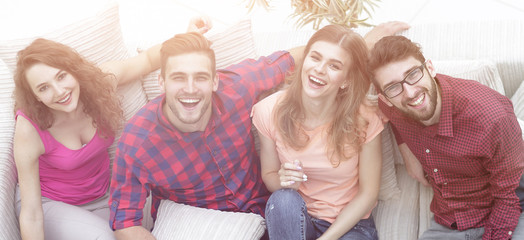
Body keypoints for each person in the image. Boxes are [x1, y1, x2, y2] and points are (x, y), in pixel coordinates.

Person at [108, 22, 410, 240]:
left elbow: (292, 59)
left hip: (268, 215)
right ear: (161, 83)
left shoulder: (238, 86)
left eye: (200, 77)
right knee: (285, 201)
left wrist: (361, 43)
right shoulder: (137, 143)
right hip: (216, 225)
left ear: (215, 81)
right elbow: (125, 222)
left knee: (283, 202)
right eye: (178, 78)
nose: (190, 90)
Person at [12, 17, 211, 240]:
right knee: (107, 237)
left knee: (156, 210)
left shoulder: (98, 84)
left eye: (61, 76)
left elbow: (145, 60)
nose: (59, 91)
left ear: (74, 70)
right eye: (44, 88)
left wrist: (187, 38)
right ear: (35, 97)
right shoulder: (29, 127)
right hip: (50, 206)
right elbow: (31, 214)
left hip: (105, 195)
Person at [367, 35, 524, 240]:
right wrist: (406, 151)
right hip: (450, 222)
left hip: (508, 212)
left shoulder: (492, 117)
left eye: (413, 74)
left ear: (430, 68)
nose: (410, 92)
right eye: (393, 87)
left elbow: (508, 197)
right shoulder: (391, 105)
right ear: (384, 96)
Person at [251, 24, 383, 240]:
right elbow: (270, 177)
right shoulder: (268, 111)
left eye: (334, 65)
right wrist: (284, 181)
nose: (320, 69)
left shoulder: (364, 117)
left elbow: (368, 194)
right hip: (295, 218)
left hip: (349, 227)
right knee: (282, 199)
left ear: (346, 81)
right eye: (315, 57)